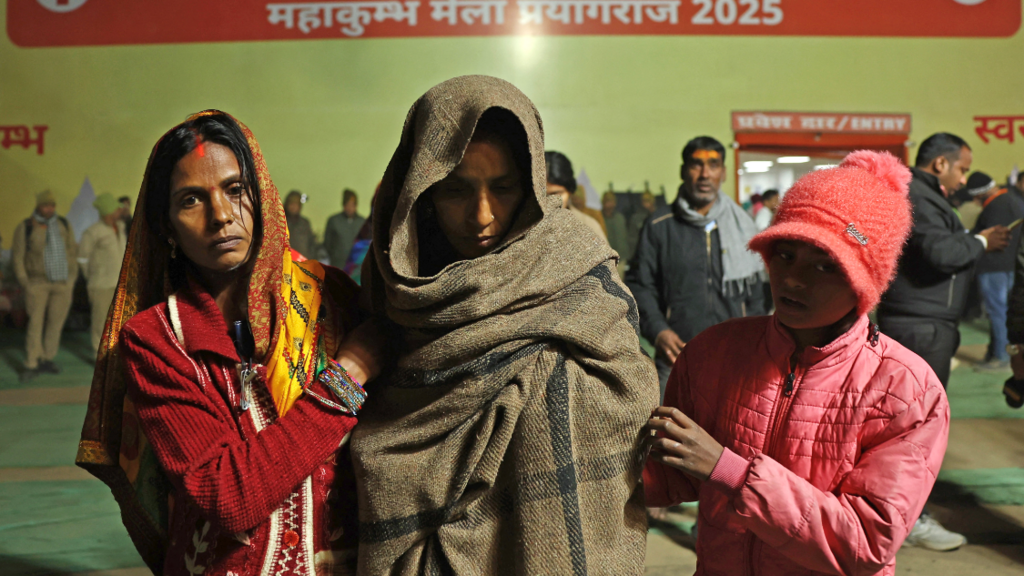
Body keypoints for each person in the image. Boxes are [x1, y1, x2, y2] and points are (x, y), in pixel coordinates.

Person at [351, 75, 658, 575]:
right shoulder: (394, 279)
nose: (482, 215)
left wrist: (541, 382)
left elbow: (629, 390)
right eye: (456, 190)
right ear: (422, 190)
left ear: (532, 183)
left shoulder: (573, 260)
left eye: (505, 187)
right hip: (418, 546)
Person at [74, 111, 386, 575]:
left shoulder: (330, 299)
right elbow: (230, 497)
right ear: (167, 228)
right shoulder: (157, 339)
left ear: (260, 196)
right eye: (191, 200)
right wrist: (349, 374)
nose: (220, 215)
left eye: (235, 190)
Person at [644, 151, 950, 576]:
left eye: (825, 265)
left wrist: (728, 470)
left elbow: (863, 542)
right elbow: (671, 475)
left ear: (865, 282)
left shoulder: (905, 389)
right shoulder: (714, 353)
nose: (792, 279)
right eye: (785, 255)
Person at [877, 133, 1009, 551]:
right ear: (940, 165)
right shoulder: (919, 195)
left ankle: (898, 512)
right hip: (921, 325)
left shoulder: (924, 196)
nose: (963, 179)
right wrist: (982, 241)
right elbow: (938, 252)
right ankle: (909, 518)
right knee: (914, 429)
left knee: (908, 424)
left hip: (926, 323)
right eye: (962, 168)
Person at [626, 136, 766, 396]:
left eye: (713, 165)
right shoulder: (659, 226)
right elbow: (640, 285)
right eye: (696, 165)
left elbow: (758, 291)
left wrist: (753, 339)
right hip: (676, 356)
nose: (704, 174)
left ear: (723, 173)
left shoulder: (743, 225)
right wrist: (658, 331)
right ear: (683, 171)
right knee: (669, 431)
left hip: (736, 357)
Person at [12, 190, 78, 382]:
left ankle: (47, 358)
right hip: (37, 282)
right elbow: (18, 257)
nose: (50, 208)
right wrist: (26, 282)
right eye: (46, 205)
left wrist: (72, 278)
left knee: (55, 324)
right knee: (35, 323)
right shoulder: (26, 227)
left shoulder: (63, 224)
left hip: (62, 283)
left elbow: (71, 252)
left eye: (52, 205)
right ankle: (32, 362)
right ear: (38, 206)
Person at [969, 172, 1024, 371]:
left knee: (997, 313)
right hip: (1011, 266)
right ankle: (996, 352)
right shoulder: (1014, 200)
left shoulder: (994, 206)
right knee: (1006, 312)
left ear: (979, 193)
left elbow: (986, 238)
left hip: (993, 268)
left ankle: (1000, 356)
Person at [78, 193, 127, 352]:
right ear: (108, 212)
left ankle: (116, 354)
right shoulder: (93, 232)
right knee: (101, 322)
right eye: (116, 209)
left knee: (120, 321)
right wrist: (92, 277)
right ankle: (100, 357)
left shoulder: (120, 228)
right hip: (101, 285)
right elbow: (82, 258)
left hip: (120, 283)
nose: (120, 212)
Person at [545, 150, 607, 240]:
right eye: (543, 196)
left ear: (569, 190)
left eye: (556, 194)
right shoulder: (521, 229)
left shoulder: (588, 226)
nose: (550, 202)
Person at [323, 188, 366, 268]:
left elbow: (366, 243)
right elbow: (327, 243)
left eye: (352, 205)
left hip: (357, 267)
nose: (349, 208)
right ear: (343, 205)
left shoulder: (362, 222)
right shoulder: (334, 221)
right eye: (347, 205)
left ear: (356, 205)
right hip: (338, 264)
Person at [284, 189, 318, 259]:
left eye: (296, 204)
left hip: (302, 263)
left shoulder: (305, 223)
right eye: (291, 204)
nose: (294, 207)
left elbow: (311, 244)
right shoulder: (281, 222)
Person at [602, 191, 631, 274]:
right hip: (605, 260)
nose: (609, 204)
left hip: (621, 258)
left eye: (611, 201)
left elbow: (625, 237)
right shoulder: (599, 218)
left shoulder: (620, 218)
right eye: (607, 201)